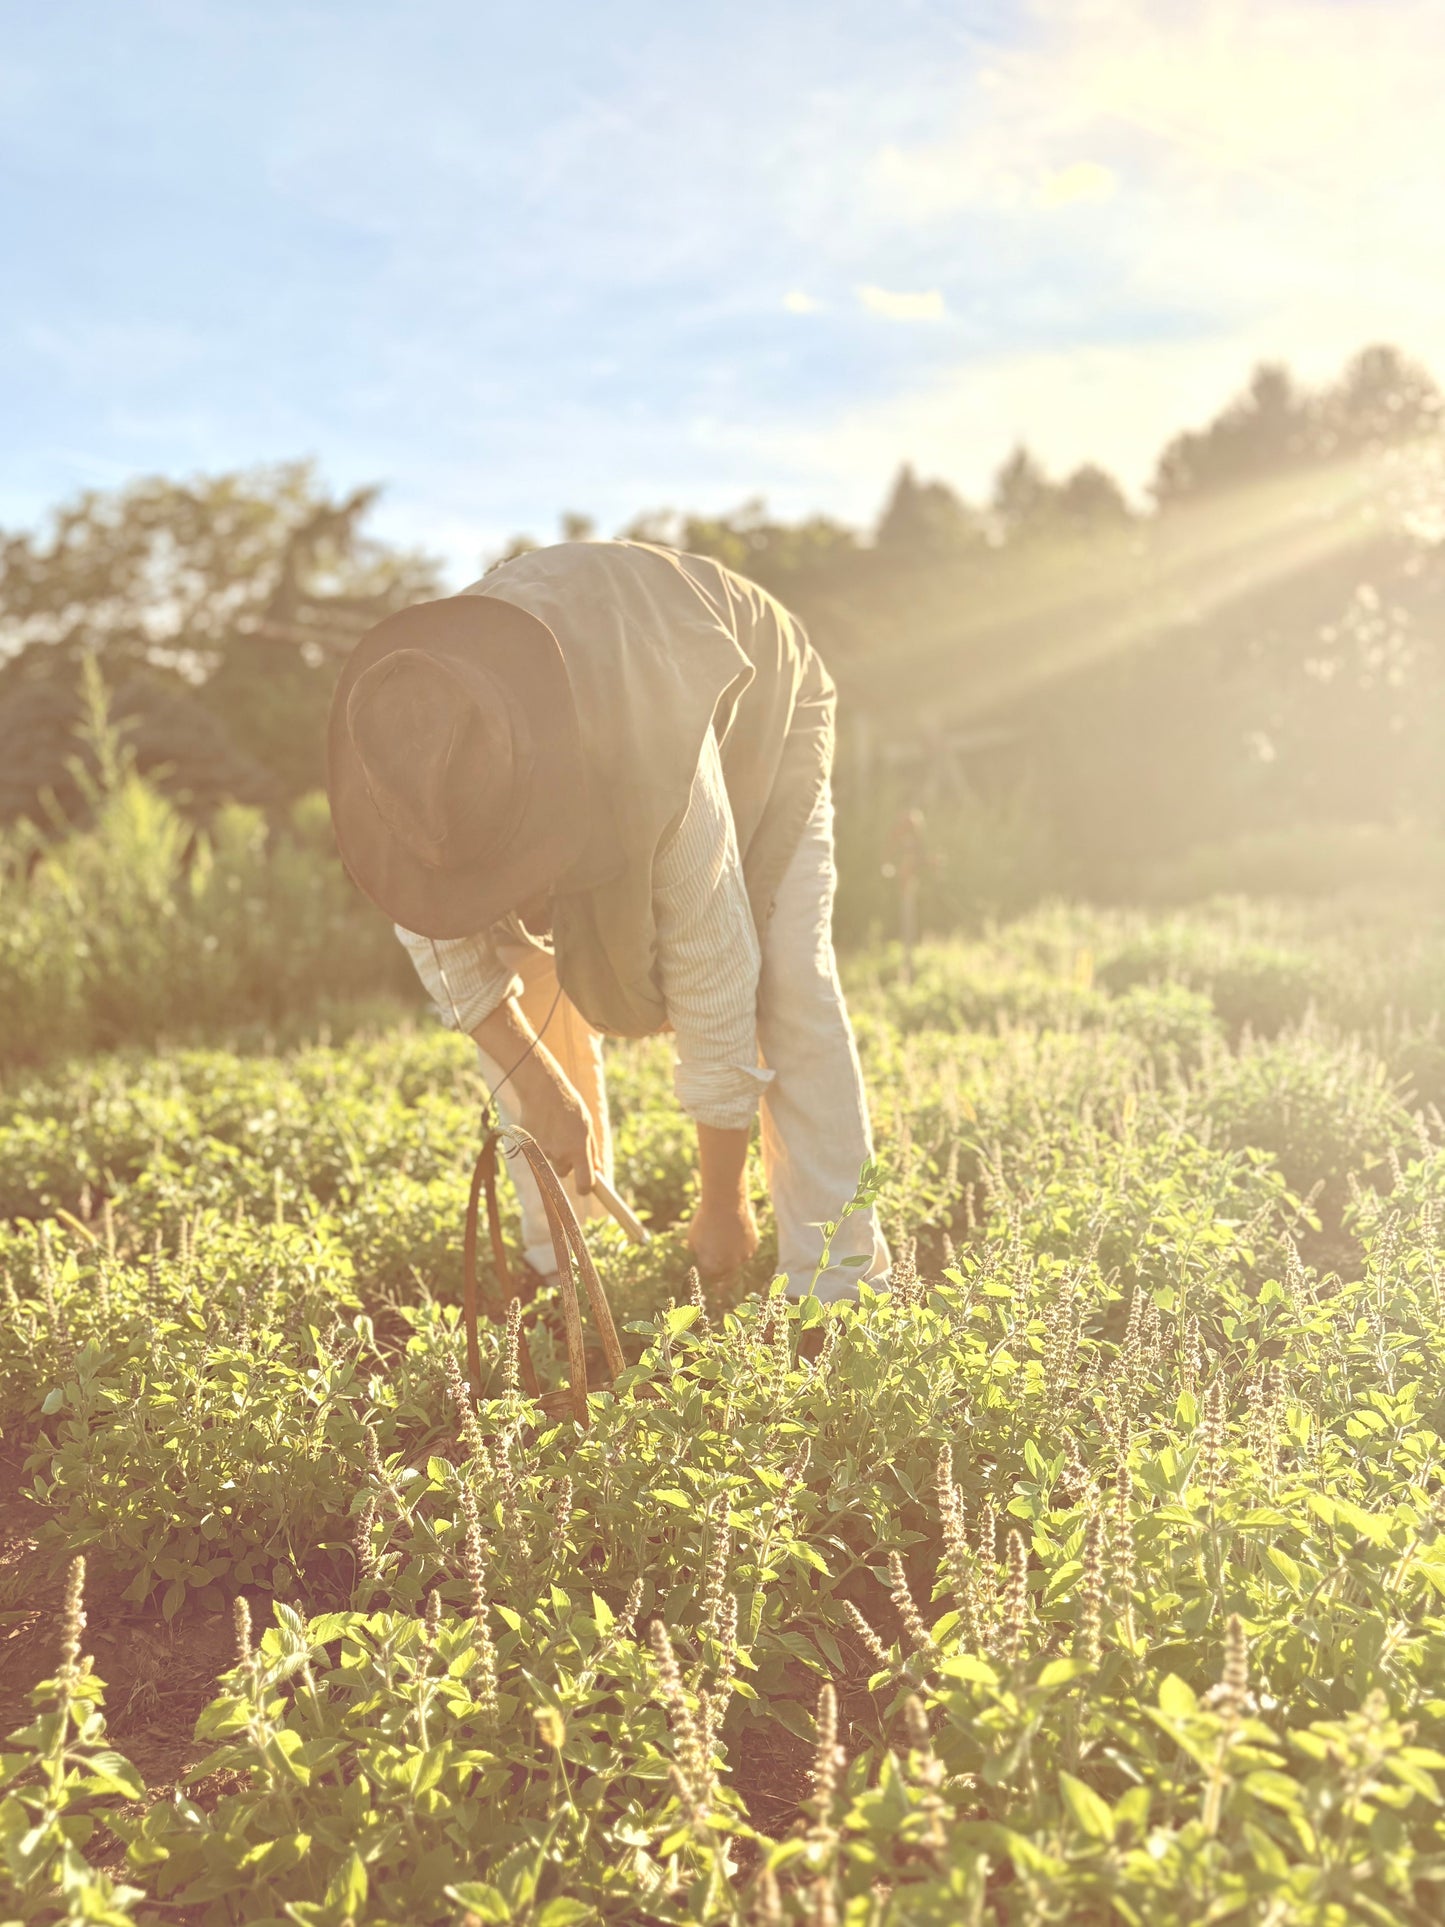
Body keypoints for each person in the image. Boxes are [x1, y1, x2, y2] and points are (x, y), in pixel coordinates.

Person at [326, 538, 888, 1301]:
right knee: (519, 970)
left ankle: (839, 1282)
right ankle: (566, 1256)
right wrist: (546, 1093)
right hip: (579, 724)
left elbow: (716, 973)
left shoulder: (649, 752)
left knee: (787, 975)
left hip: (758, 713)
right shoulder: (403, 770)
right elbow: (461, 973)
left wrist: (719, 1202)